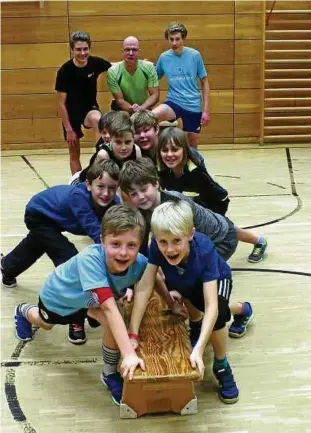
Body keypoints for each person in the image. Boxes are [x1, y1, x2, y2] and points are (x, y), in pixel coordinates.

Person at [14, 205, 147, 405]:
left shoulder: (141, 263)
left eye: (131, 245)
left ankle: (109, 374)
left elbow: (155, 276)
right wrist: (128, 354)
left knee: (114, 320)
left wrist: (170, 297)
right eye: (116, 244)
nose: (123, 252)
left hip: (89, 300)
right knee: (44, 323)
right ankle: (23, 310)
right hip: (60, 299)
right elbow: (109, 308)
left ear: (140, 244)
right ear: (102, 240)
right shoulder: (90, 259)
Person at [129, 201, 254, 403]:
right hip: (187, 280)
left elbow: (211, 305)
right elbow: (144, 286)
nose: (169, 249)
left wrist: (199, 349)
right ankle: (238, 312)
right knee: (195, 303)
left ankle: (222, 364)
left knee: (219, 313)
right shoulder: (156, 247)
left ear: (191, 234)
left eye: (176, 241)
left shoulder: (204, 250)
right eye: (163, 242)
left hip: (216, 279)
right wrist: (132, 333)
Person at [1, 160, 120, 344]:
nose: (106, 193)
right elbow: (97, 233)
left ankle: (7, 267)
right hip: (39, 214)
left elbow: (118, 229)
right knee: (70, 259)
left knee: (39, 243)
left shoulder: (114, 204)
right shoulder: (79, 199)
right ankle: (76, 319)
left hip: (56, 218)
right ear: (88, 185)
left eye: (112, 188)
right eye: (100, 186)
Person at [119, 158, 268, 263]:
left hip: (221, 241)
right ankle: (258, 241)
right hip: (215, 224)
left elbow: (192, 242)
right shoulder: (142, 209)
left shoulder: (175, 204)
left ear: (156, 184)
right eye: (133, 193)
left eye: (144, 189)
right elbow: (143, 246)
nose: (141, 197)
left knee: (189, 274)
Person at [55, 31, 112, 174]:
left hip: (89, 109)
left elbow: (117, 66)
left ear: (89, 48)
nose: (82, 53)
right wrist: (69, 129)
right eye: (78, 49)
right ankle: (76, 184)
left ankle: (101, 164)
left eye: (85, 49)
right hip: (71, 114)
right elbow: (61, 104)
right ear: (72, 50)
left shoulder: (95, 63)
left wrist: (142, 63)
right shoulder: (65, 71)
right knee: (74, 154)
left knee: (98, 119)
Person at [153, 22, 210, 148]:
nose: (174, 43)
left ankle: (194, 167)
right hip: (174, 102)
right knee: (150, 118)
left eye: (177, 39)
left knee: (192, 145)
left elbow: (204, 82)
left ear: (183, 38)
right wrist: (145, 67)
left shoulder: (195, 55)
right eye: (171, 39)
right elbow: (154, 78)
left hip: (193, 105)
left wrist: (205, 110)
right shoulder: (164, 57)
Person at [157, 127, 229, 215]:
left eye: (175, 149)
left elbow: (222, 198)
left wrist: (215, 221)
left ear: (185, 150)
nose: (169, 154)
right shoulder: (163, 172)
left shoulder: (196, 173)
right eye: (165, 150)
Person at [132, 109, 206, 168]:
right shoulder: (133, 152)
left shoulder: (178, 150)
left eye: (146, 130)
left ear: (157, 129)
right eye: (137, 132)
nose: (142, 135)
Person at [107, 36, 159, 114]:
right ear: (122, 51)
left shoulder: (149, 67)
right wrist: (132, 109)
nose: (131, 53)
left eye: (134, 50)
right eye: (127, 49)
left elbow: (155, 95)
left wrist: (141, 109)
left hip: (144, 108)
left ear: (139, 52)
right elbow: (119, 100)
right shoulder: (113, 71)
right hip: (122, 109)